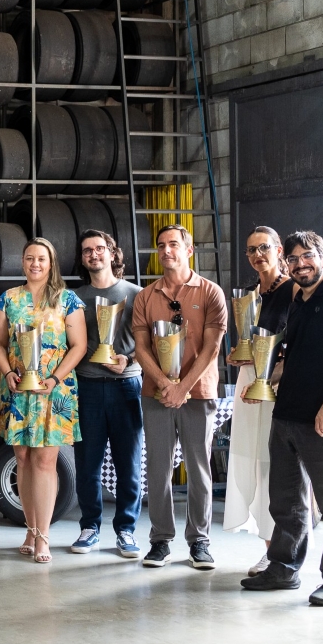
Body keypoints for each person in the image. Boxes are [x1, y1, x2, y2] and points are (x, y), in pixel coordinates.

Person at [242, 231, 323, 607]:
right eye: (293, 259)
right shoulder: (297, 300)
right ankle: (283, 568)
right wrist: (264, 380)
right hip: (287, 415)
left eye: (307, 256)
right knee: (286, 500)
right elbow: (292, 357)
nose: (300, 264)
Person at [131, 224, 227, 570]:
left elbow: (212, 348)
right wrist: (164, 384)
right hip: (155, 394)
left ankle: (199, 541)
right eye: (161, 245)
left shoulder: (211, 292)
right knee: (157, 468)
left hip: (198, 394)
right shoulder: (145, 297)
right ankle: (160, 540)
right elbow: (141, 348)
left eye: (173, 244)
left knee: (199, 468)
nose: (166, 250)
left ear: (189, 250)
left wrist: (183, 387)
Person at [0, 238, 86, 564]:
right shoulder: (8, 299)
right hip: (16, 388)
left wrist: (55, 379)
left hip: (54, 390)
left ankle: (43, 536)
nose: (35, 263)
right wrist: (7, 372)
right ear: (22, 262)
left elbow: (78, 346)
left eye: (41, 258)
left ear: (51, 263)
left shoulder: (67, 300)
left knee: (45, 461)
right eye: (29, 258)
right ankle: (30, 530)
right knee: (22, 458)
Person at [225, 227, 297, 576]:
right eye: (251, 250)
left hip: (278, 385)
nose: (257, 255)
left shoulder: (293, 291)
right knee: (255, 464)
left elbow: (297, 346)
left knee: (276, 467)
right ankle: (269, 549)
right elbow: (247, 343)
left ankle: (283, 552)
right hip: (248, 382)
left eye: (264, 248)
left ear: (279, 250)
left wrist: (270, 377)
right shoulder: (251, 295)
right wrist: (237, 357)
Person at [70, 230, 145, 558]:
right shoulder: (74, 298)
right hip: (86, 387)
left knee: (129, 463)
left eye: (99, 248)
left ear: (113, 253)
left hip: (127, 387)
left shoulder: (136, 294)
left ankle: (126, 530)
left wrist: (129, 360)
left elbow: (150, 343)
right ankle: (90, 527)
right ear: (82, 257)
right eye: (87, 250)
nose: (94, 254)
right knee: (87, 464)